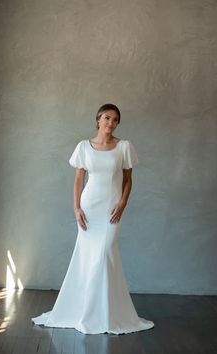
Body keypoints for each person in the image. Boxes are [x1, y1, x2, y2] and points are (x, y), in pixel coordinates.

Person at [32, 103, 155, 334]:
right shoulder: (83, 147)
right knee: (88, 257)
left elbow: (128, 180)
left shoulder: (124, 147)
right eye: (107, 118)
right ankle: (86, 311)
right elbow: (79, 180)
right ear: (98, 120)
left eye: (115, 120)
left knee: (105, 252)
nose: (111, 123)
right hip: (89, 208)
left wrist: (122, 204)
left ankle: (106, 313)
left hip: (111, 209)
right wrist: (76, 208)